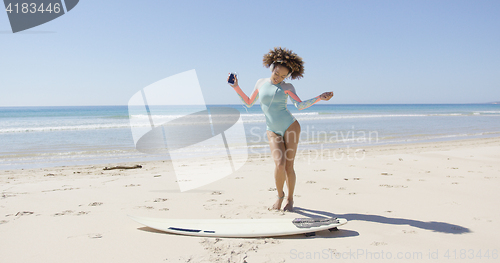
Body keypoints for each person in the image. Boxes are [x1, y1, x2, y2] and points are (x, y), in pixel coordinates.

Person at [228, 47, 333, 212]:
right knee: (279, 164)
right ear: (272, 68)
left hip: (290, 126)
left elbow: (299, 105)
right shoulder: (260, 83)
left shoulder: (287, 87)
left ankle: (290, 200)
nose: (279, 78)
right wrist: (236, 87)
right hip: (272, 129)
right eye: (277, 73)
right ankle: (279, 196)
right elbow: (249, 102)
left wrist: (319, 97)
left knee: (289, 166)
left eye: (283, 76)